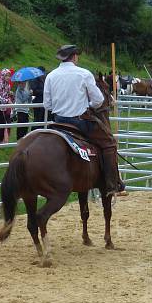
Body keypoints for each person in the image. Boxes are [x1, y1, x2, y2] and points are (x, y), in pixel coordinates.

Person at [43, 44, 125, 195]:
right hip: (79, 122)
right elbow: (99, 100)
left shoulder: (51, 75)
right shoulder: (83, 74)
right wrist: (88, 104)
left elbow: (47, 105)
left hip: (58, 122)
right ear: (74, 56)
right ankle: (112, 184)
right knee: (109, 143)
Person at [0, 68, 14, 143]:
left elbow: (6, 95)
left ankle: (1, 140)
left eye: (9, 76)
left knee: (5, 124)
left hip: (5, 107)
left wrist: (10, 96)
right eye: (7, 76)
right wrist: (7, 101)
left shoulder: (8, 85)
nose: (8, 77)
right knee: (0, 124)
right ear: (3, 76)